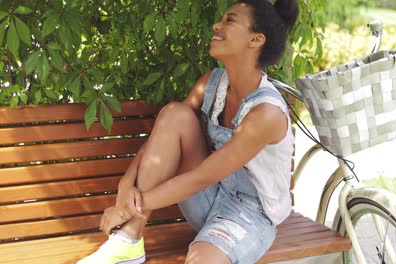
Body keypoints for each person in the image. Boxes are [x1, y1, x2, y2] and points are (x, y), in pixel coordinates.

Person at [78, 0, 298, 263]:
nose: (217, 25)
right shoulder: (212, 83)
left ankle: (138, 228)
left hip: (248, 215)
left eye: (230, 20)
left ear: (255, 39)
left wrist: (130, 206)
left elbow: (202, 176)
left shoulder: (266, 113)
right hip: (209, 197)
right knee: (175, 114)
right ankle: (129, 241)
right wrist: (127, 181)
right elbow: (165, 133)